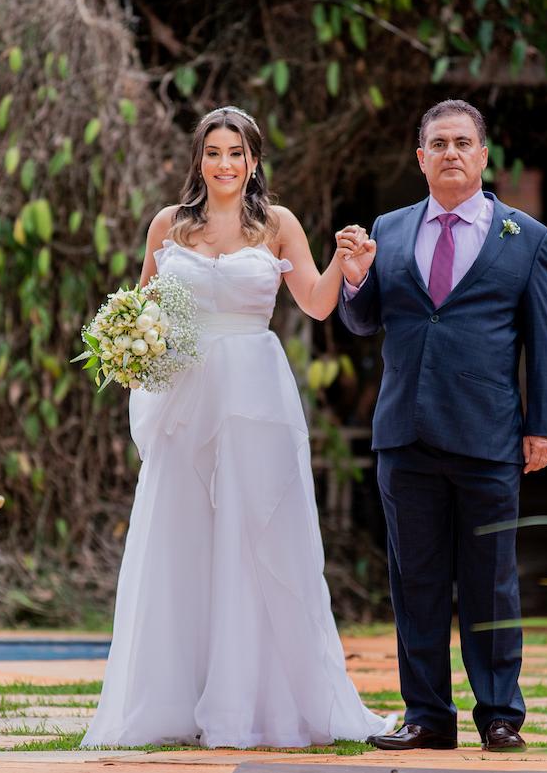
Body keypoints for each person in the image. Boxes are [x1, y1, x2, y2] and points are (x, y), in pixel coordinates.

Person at [81, 106, 393, 749]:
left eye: (237, 153)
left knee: (260, 535)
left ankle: (256, 699)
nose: (225, 164)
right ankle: (173, 699)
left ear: (254, 161)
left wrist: (343, 262)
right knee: (184, 535)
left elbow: (314, 300)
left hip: (255, 391)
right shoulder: (168, 226)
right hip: (186, 396)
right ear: (199, 159)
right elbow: (143, 308)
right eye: (214, 152)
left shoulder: (277, 224)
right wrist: (127, 349)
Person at [337, 99, 547, 752]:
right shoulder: (392, 227)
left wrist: (542, 424)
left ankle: (499, 714)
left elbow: (543, 342)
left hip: (489, 435)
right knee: (417, 583)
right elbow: (365, 320)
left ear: (483, 155)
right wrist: (355, 282)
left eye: (463, 142)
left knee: (492, 579)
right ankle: (428, 715)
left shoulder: (527, 238)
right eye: (438, 143)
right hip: (404, 436)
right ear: (421, 158)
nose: (451, 152)